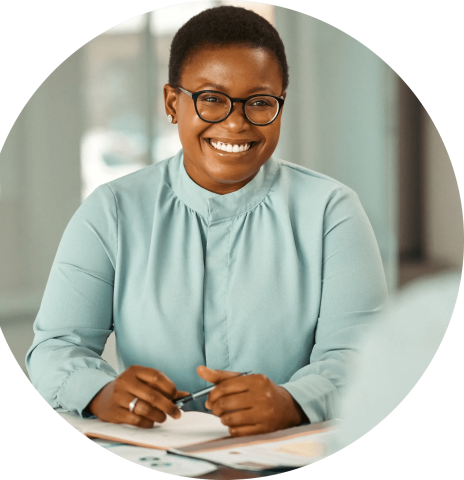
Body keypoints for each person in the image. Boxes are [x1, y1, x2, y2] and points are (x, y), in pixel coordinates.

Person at [26, 6, 388, 438]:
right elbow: (54, 350)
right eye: (212, 98)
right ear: (172, 103)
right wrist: (101, 393)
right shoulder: (111, 212)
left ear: (280, 106)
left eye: (259, 102)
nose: (236, 123)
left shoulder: (332, 212)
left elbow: (363, 356)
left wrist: (294, 401)